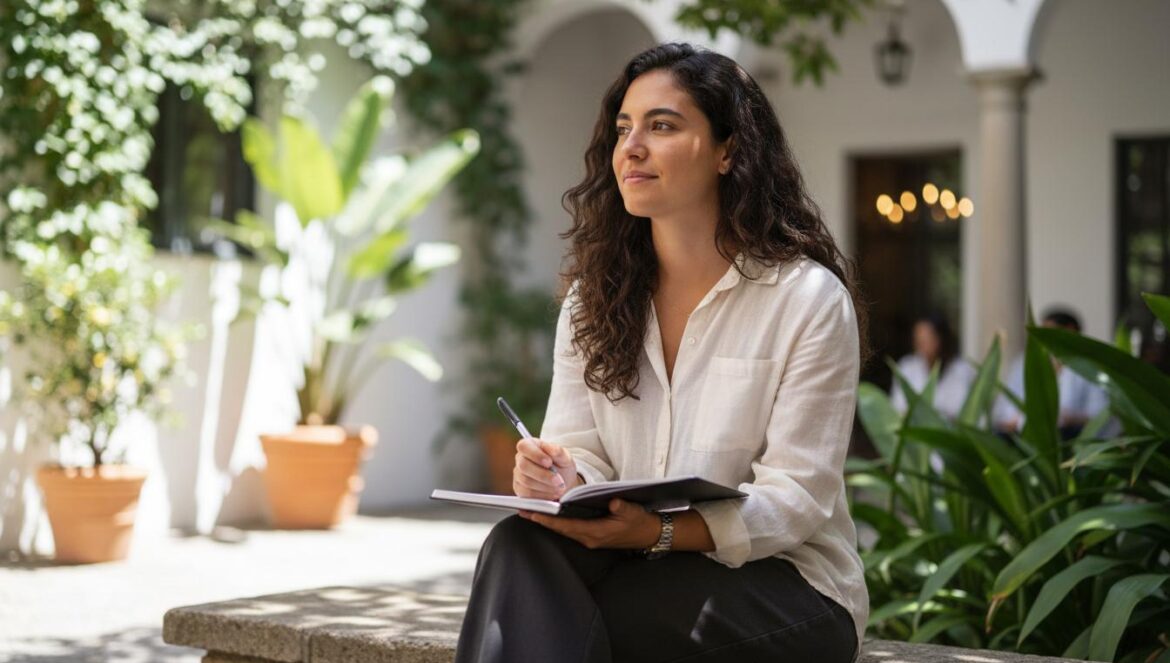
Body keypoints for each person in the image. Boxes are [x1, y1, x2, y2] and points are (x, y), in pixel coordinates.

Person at [454, 43, 868, 663]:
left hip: (787, 586)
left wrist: (658, 530)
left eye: (663, 126)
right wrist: (561, 477)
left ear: (729, 151)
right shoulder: (593, 300)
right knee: (518, 545)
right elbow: (582, 450)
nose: (632, 147)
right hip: (637, 562)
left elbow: (796, 501)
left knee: (580, 615)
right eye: (624, 128)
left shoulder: (806, 300)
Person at [993, 307, 1110, 438]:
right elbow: (1006, 406)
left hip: (1070, 434)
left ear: (1070, 331)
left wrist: (1070, 418)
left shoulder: (1090, 366)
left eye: (1049, 333)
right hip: (1024, 431)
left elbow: (1100, 412)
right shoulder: (1025, 363)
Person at [889, 313, 976, 420]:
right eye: (918, 340)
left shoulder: (962, 370)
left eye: (927, 339)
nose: (922, 345)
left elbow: (968, 413)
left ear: (941, 339)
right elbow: (898, 409)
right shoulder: (907, 367)